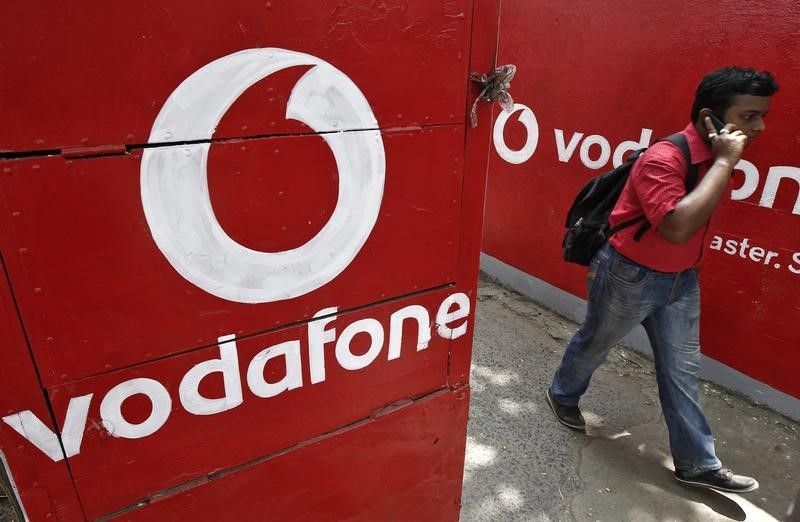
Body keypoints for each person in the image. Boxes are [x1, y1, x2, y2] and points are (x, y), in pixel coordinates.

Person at [546, 66, 779, 494]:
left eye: (761, 116)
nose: (758, 127)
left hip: (681, 283)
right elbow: (675, 227)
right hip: (629, 277)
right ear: (711, 117)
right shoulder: (665, 159)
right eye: (748, 117)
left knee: (682, 371)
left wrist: (722, 161)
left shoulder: (713, 158)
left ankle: (696, 463)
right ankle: (562, 394)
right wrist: (726, 161)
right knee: (596, 342)